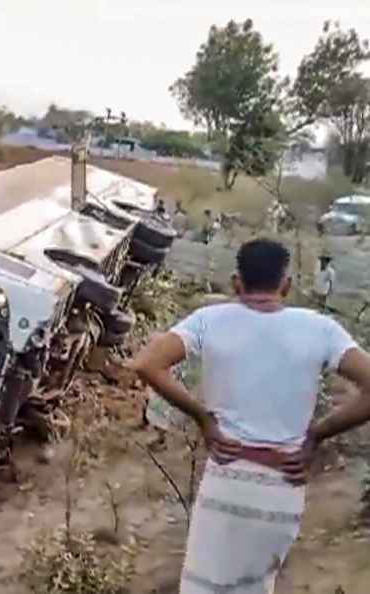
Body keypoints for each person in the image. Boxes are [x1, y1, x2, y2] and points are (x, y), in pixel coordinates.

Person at [130, 238, 370, 594]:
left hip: (228, 477)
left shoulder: (210, 320)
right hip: (283, 484)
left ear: (235, 283)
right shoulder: (320, 328)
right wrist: (316, 435)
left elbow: (147, 363)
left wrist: (203, 418)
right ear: (286, 285)